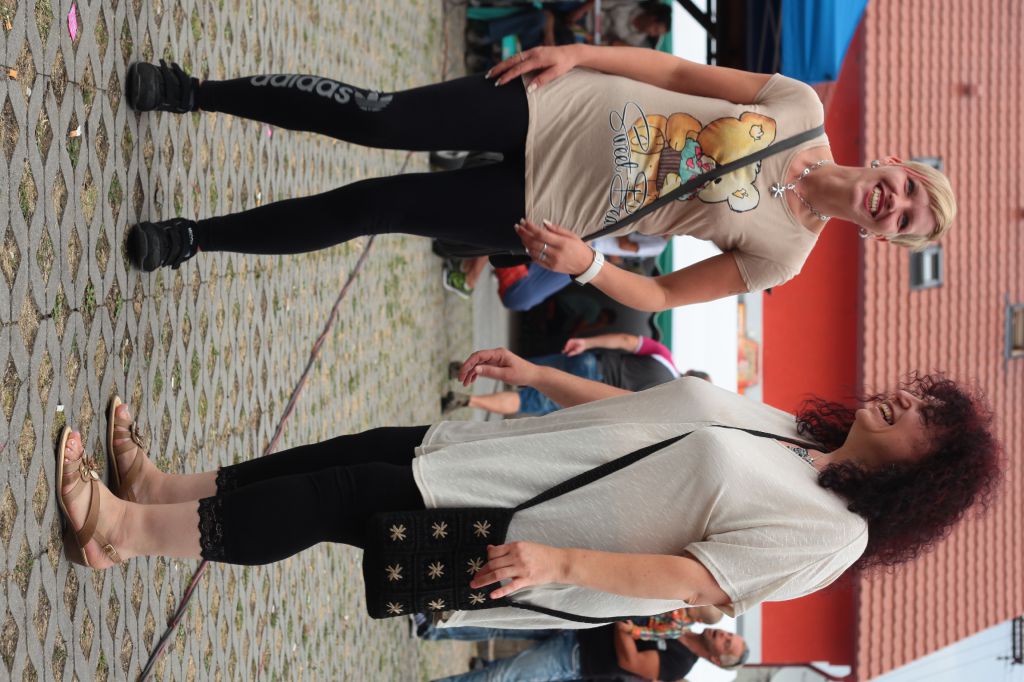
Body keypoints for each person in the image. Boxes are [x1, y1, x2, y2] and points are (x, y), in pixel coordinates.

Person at [55, 351, 1000, 632]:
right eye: (921, 393)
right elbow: (658, 411)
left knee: (333, 497)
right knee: (338, 458)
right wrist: (539, 375)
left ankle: (124, 531)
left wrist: (556, 561)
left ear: (924, 472)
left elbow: (696, 579)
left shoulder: (831, 534)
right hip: (503, 456)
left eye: (925, 417)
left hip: (520, 529)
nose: (905, 400)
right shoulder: (798, 437)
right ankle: (160, 487)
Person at [123, 44, 955, 312]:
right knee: (379, 118)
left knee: (375, 207)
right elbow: (675, 74)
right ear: (895, 164)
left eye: (905, 221)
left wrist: (587, 267)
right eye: (911, 189)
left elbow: (660, 296)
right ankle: (193, 92)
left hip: (543, 211)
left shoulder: (784, 257)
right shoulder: (799, 104)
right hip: (554, 105)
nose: (897, 204)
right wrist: (578, 52)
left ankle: (192, 237)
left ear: (883, 239)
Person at [416, 620, 745, 681]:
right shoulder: (682, 624)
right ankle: (431, 628)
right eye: (729, 634)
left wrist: (624, 629)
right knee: (500, 626)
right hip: (577, 625)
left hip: (576, 657)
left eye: (727, 642)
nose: (722, 634)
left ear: (716, 659)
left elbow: (630, 661)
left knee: (501, 676)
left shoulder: (679, 666)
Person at [441, 332, 680, 416]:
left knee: (525, 369)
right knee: (526, 400)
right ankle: (467, 401)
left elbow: (626, 341)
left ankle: (466, 367)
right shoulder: (666, 400)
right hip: (589, 395)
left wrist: (586, 343)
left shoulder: (664, 357)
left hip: (591, 363)